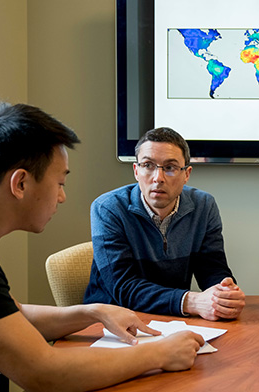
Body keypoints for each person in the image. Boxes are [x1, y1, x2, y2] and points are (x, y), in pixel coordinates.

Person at [0, 103, 204, 391]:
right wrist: (160, 352)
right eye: (60, 183)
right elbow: (45, 373)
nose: (62, 197)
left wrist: (93, 312)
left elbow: (12, 315)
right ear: (21, 183)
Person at [84, 127, 245, 320]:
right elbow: (123, 287)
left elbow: (212, 269)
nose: (157, 178)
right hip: (110, 323)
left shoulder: (204, 205)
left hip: (173, 320)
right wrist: (191, 302)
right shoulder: (108, 208)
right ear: (136, 171)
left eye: (169, 168)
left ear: (187, 174)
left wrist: (223, 293)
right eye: (148, 165)